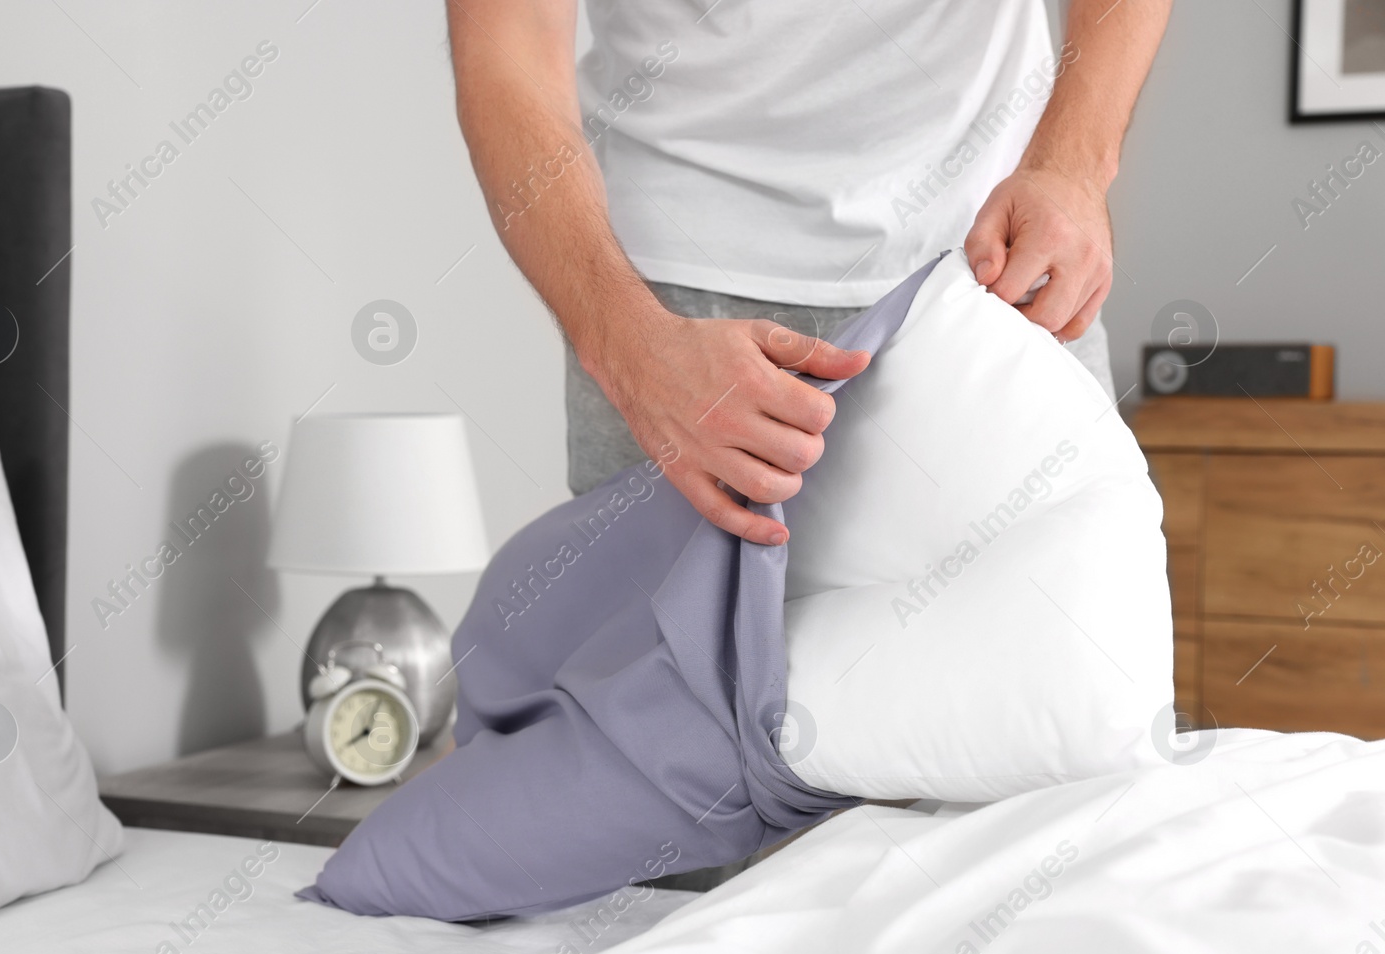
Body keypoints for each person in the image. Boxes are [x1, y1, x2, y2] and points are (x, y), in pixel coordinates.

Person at [448, 0, 1171, 546]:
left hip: (997, 268)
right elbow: (506, 50)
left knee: (1070, 709)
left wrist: (1074, 168)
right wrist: (631, 350)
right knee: (656, 722)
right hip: (672, 316)